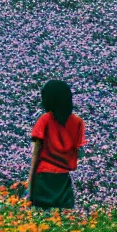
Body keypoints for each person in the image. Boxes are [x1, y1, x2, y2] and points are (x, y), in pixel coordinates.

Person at [23, 80, 85, 209]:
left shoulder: (45, 119)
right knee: (64, 217)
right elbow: (76, 151)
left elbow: (36, 154)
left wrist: (29, 186)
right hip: (63, 178)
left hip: (44, 177)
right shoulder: (78, 122)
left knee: (41, 216)